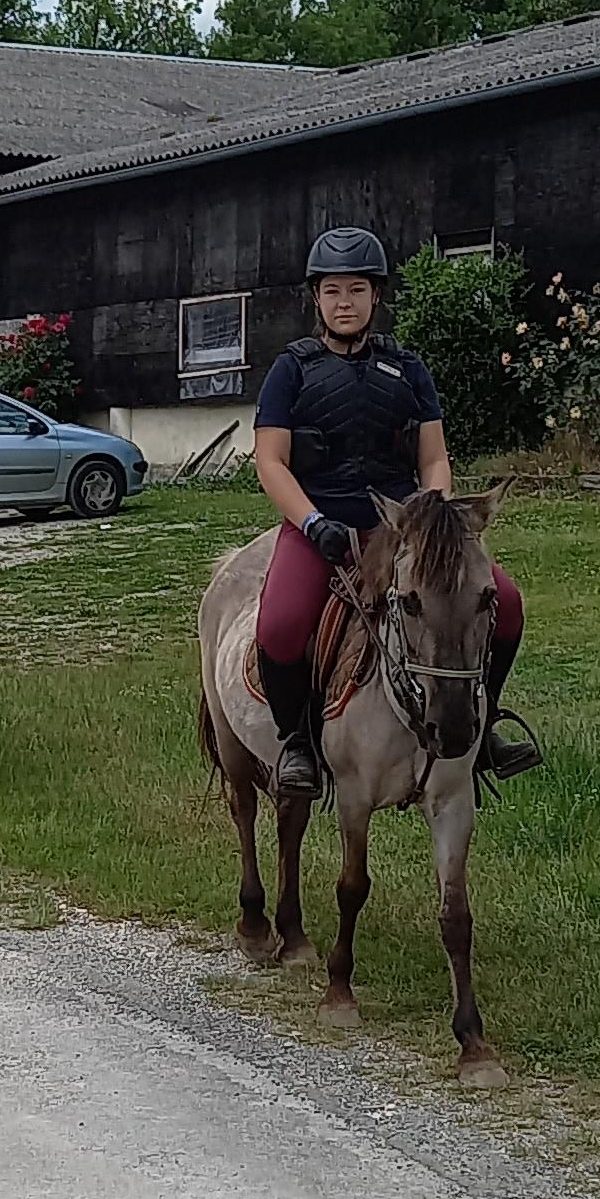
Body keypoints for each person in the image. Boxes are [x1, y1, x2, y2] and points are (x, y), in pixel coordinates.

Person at [250, 228, 536, 797]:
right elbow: (271, 462)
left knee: (505, 605)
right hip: (320, 525)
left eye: (357, 290)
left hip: (404, 529)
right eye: (333, 291)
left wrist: (431, 519)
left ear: (376, 295)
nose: (345, 303)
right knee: (279, 625)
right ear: (316, 298)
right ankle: (298, 740)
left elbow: (434, 459)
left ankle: (484, 725)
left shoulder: (407, 368)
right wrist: (313, 523)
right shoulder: (291, 370)